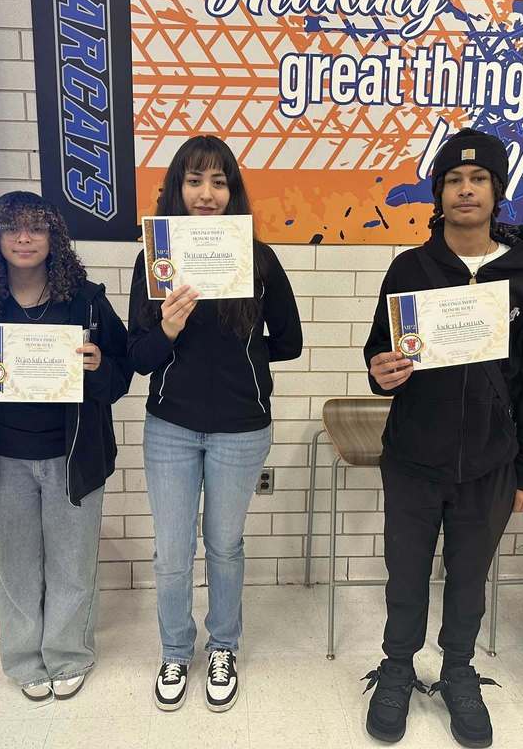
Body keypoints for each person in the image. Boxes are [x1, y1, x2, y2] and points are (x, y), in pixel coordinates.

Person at [361, 128, 523, 747]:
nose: (465, 190)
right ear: (438, 193)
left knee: (469, 577)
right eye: (452, 180)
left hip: (490, 467)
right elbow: (380, 355)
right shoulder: (410, 268)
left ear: (497, 192)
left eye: (477, 180)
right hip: (414, 458)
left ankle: (458, 672)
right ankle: (396, 669)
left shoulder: (522, 276)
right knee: (406, 575)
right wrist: (380, 373)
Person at [0, 191, 133, 702]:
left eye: (36, 228)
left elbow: (120, 377)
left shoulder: (86, 301)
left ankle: (69, 655)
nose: (24, 238)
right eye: (11, 228)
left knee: (72, 563)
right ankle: (24, 660)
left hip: (73, 457)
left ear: (54, 239)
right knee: (16, 567)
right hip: (2, 459)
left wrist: (98, 366)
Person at [127, 135, 302, 712]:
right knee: (172, 550)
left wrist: (245, 351)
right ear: (177, 188)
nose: (207, 193)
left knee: (224, 544)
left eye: (219, 182)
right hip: (170, 426)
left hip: (241, 427)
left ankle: (222, 645)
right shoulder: (154, 257)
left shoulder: (260, 257)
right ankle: (176, 649)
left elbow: (292, 342)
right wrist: (170, 330)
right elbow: (139, 355)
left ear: (233, 192)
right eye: (195, 181)